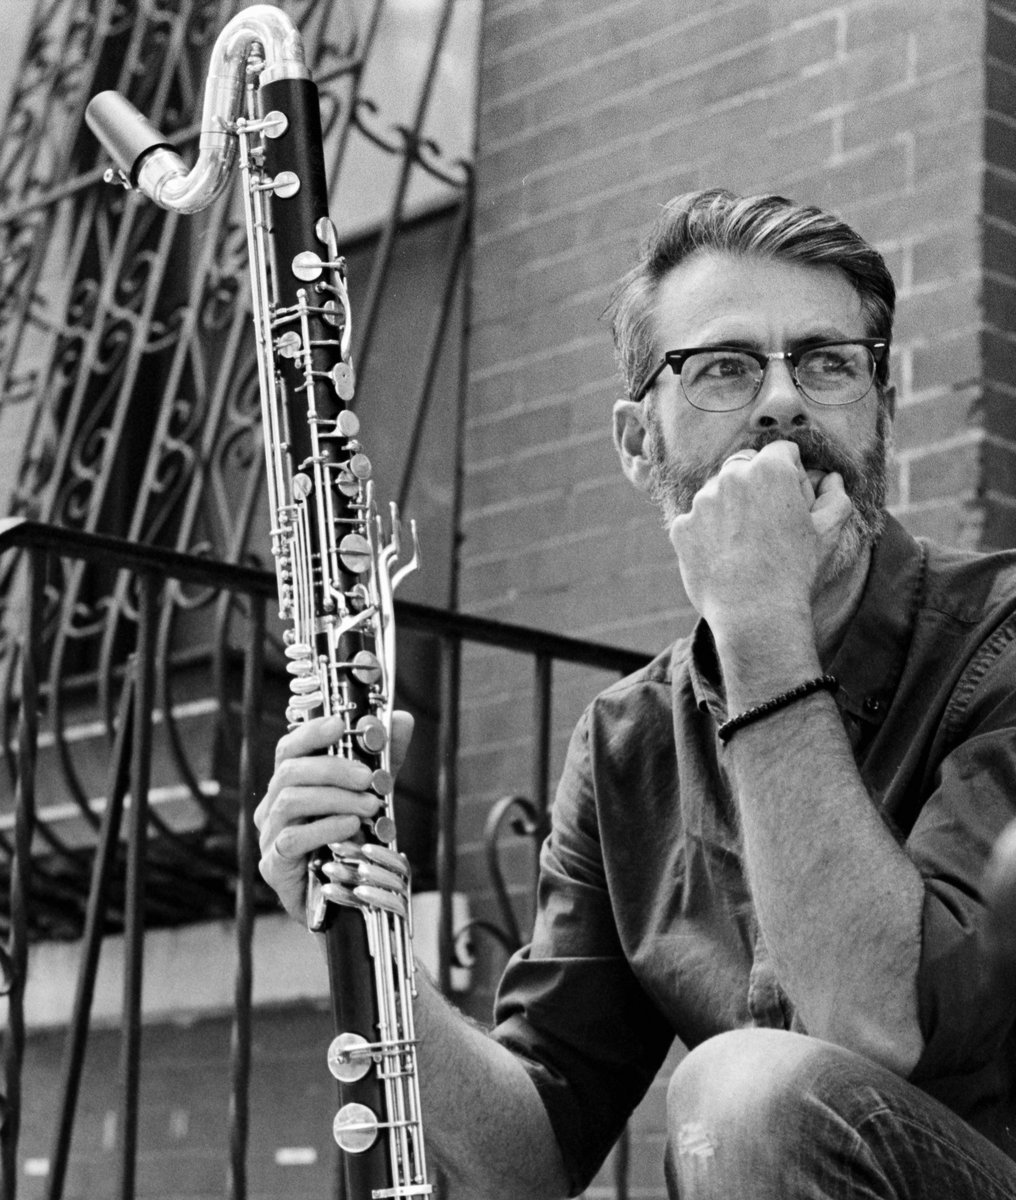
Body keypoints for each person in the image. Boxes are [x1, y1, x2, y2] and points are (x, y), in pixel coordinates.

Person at [255, 189, 1016, 1199]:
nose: (782, 402)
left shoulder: (1001, 641)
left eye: (828, 363)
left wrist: (760, 625)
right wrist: (368, 931)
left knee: (742, 1094)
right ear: (634, 441)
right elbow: (526, 1157)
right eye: (722, 367)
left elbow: (876, 1020)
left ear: (880, 408)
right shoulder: (627, 744)